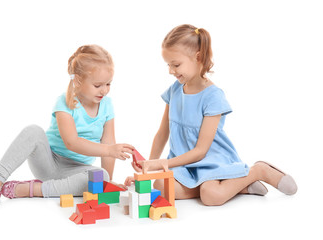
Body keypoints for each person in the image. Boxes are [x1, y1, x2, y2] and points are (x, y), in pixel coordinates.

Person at [125, 24, 297, 206]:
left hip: (211, 161)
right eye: (168, 65)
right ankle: (238, 185)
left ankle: (257, 171)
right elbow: (162, 134)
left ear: (197, 57)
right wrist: (148, 169)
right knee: (160, 186)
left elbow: (200, 151)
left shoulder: (213, 97)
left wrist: (158, 165)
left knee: (210, 196)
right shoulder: (174, 91)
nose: (171, 71)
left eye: (176, 65)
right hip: (184, 164)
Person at [0, 44, 134, 207]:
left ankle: (35, 189)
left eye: (108, 84)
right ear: (79, 80)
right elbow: (71, 142)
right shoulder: (65, 103)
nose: (104, 90)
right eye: (98, 85)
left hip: (76, 170)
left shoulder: (107, 105)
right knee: (33, 131)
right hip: (49, 162)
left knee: (101, 175)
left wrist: (107, 183)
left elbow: (108, 143)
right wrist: (109, 150)